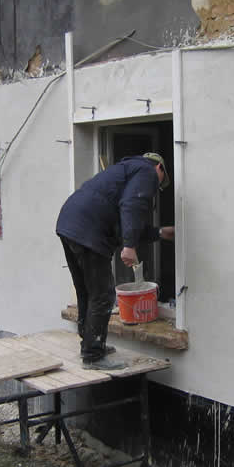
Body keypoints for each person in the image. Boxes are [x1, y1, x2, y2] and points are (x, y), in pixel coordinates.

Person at [56, 152, 174, 370]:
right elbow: (132, 205)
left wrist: (159, 232)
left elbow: (125, 220)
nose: (155, 188)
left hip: (69, 222)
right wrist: (129, 246)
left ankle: (90, 343)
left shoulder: (124, 172)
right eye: (159, 183)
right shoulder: (147, 171)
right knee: (103, 295)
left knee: (86, 290)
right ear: (159, 168)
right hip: (89, 229)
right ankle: (93, 355)